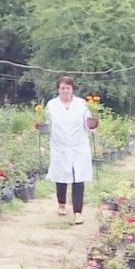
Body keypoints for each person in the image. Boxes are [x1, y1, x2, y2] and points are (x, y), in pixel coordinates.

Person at [35, 76, 98, 225]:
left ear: (72, 89)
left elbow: (87, 122)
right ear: (58, 89)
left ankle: (78, 213)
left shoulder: (81, 104)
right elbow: (47, 124)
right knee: (61, 176)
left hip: (78, 146)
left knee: (78, 179)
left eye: (67, 88)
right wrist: (40, 125)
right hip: (60, 146)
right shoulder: (52, 105)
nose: (65, 91)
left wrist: (92, 124)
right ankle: (61, 204)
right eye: (62, 88)